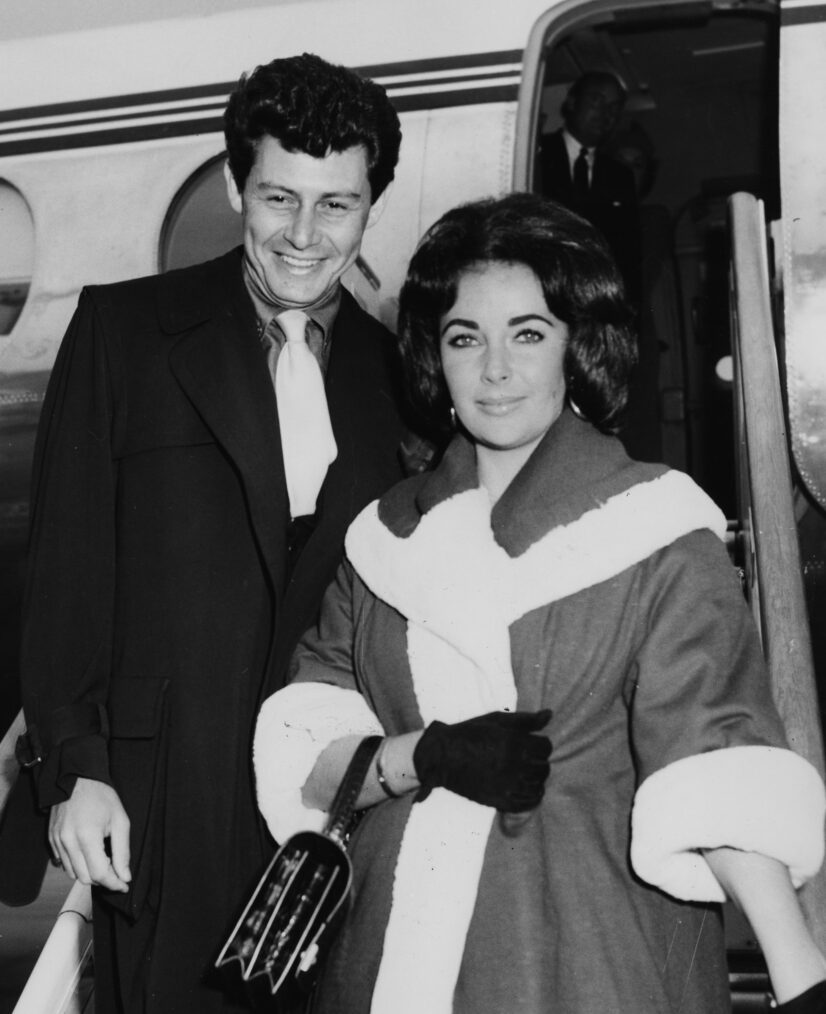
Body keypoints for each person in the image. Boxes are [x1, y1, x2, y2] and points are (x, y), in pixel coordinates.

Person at [253, 193, 826, 1013]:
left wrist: (795, 960)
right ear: (434, 359)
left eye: (528, 333)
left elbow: (713, 754)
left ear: (576, 347)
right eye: (464, 338)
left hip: (590, 954)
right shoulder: (383, 541)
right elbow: (305, 751)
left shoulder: (656, 527)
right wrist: (427, 755)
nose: (494, 370)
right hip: (388, 957)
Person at [16, 53, 411, 1013]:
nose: (306, 236)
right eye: (281, 198)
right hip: (159, 797)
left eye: (338, 205)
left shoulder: (398, 372)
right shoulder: (125, 332)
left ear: (372, 206)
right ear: (236, 185)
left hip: (326, 806)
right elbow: (65, 574)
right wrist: (77, 770)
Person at [537, 71, 640, 299]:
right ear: (572, 101)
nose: (606, 113)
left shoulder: (620, 176)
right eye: (597, 100)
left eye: (614, 107)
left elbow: (628, 254)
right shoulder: (537, 155)